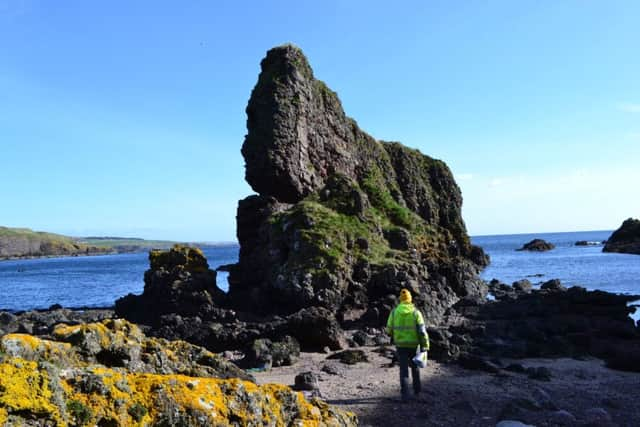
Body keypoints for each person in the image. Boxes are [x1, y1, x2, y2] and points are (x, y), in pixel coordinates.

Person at [386, 288, 429, 401]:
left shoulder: (394, 312)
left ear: (400, 300)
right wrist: (425, 345)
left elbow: (388, 330)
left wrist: (394, 335)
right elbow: (422, 331)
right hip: (414, 346)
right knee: (415, 368)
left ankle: (405, 395)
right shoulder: (416, 313)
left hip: (400, 345)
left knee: (403, 370)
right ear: (410, 299)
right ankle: (417, 392)